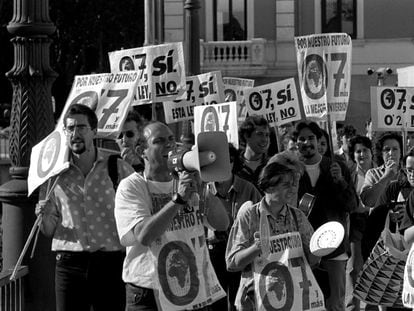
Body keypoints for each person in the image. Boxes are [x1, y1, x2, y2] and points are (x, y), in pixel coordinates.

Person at [114, 121, 230, 311]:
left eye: (171, 139)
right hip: (149, 292)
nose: (169, 145)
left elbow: (222, 223)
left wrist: (203, 188)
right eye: (159, 141)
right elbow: (144, 235)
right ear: (142, 150)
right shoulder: (132, 187)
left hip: (191, 288)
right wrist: (178, 200)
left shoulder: (186, 180)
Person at [35, 104, 135, 311]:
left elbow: (136, 215)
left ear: (94, 131)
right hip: (69, 263)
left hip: (110, 262)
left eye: (81, 127)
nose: (75, 134)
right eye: (70, 128)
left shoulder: (117, 167)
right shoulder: (54, 175)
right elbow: (48, 230)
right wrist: (43, 216)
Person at [225, 162, 319, 311]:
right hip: (255, 301)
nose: (292, 189)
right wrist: (257, 247)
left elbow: (313, 261)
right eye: (286, 185)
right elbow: (232, 263)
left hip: (293, 301)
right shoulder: (249, 215)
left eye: (293, 184)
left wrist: (321, 249)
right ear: (269, 187)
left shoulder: (298, 216)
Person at [295, 121, 358, 311]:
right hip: (302, 249)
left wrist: (340, 182)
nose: (307, 143)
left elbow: (352, 205)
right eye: (301, 139)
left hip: (334, 247)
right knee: (308, 304)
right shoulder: (292, 170)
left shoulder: (336, 167)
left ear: (319, 140)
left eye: (311, 138)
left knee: (335, 305)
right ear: (295, 143)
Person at [207, 143, 262, 311]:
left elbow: (261, 218)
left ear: (233, 162)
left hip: (241, 254)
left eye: (228, 161)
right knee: (216, 303)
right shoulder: (204, 190)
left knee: (240, 302)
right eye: (218, 162)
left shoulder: (248, 188)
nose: (224, 167)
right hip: (213, 254)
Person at [363, 149, 414, 311]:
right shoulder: (394, 189)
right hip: (397, 256)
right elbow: (377, 219)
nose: (412, 174)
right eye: (409, 170)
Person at [345, 135, 375, 311]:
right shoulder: (349, 175)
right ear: (353, 155)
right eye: (358, 151)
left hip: (376, 223)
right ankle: (353, 306)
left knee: (374, 266)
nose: (362, 154)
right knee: (355, 267)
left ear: (372, 153)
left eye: (365, 150)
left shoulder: (380, 172)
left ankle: (371, 306)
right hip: (356, 224)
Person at [360, 132, 403, 208]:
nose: (391, 153)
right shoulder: (372, 174)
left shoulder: (408, 173)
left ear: (400, 152)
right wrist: (386, 177)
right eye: (387, 149)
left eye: (395, 149)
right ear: (381, 153)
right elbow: (368, 201)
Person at [235, 115, 270, 192]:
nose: (265, 139)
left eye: (267, 135)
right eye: (260, 134)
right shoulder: (234, 166)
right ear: (246, 136)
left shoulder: (272, 165)